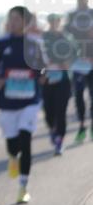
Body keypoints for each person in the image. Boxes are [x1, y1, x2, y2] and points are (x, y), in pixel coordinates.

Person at [0, 6, 46, 204]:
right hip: (7, 102)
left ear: (25, 22)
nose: (12, 22)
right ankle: (13, 157)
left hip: (30, 101)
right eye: (10, 18)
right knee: (13, 146)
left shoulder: (33, 44)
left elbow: (42, 68)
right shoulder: (1, 43)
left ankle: (23, 186)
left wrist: (41, 77)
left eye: (17, 19)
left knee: (25, 140)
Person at [41, 13, 75, 156]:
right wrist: (41, 72)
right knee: (49, 112)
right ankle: (52, 129)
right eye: (51, 21)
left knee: (60, 111)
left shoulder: (66, 37)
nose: (54, 23)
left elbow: (74, 53)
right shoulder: (43, 38)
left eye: (56, 21)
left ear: (60, 22)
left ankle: (59, 141)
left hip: (63, 79)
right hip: (47, 79)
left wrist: (68, 62)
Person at [66, 0, 93, 144]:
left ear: (87, 0)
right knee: (79, 95)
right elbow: (65, 36)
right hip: (78, 62)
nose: (81, 1)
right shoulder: (71, 16)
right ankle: (82, 126)